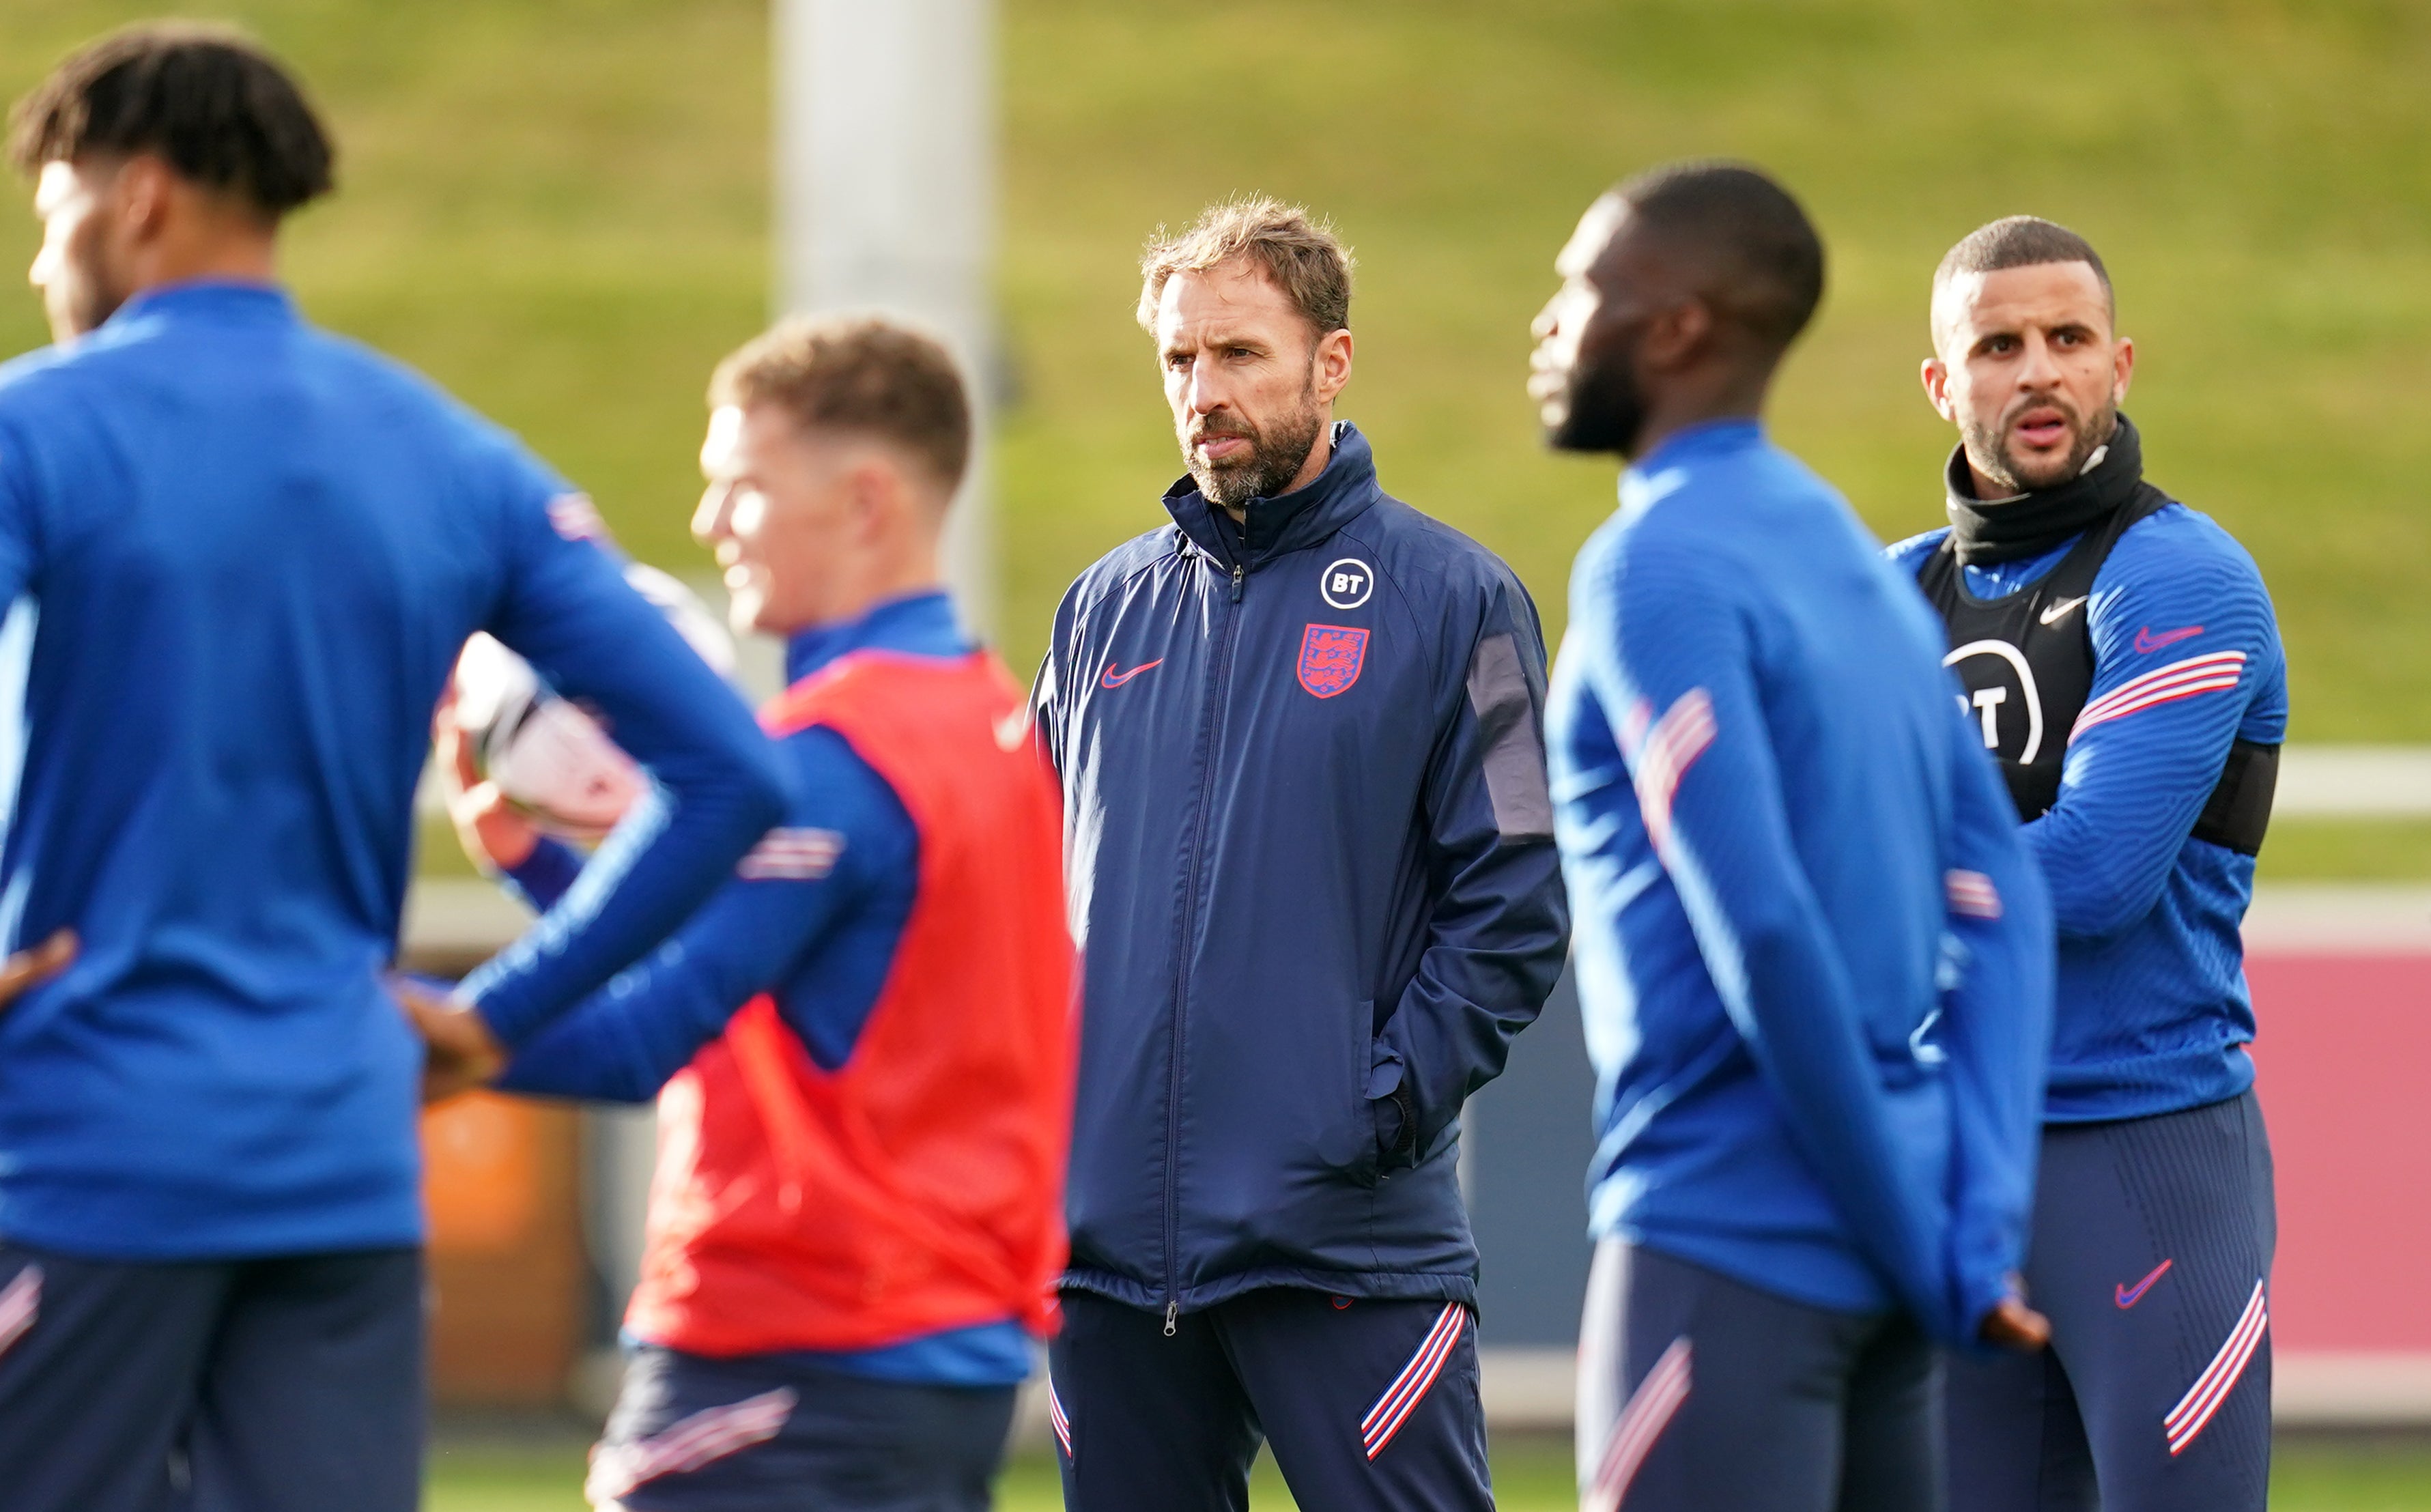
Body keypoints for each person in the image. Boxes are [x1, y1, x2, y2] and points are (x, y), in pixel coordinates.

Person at [0, 27, 788, 1512]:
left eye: (52, 220)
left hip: (88, 1152)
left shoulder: (35, 427)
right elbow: (735, 775)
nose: (48, 268)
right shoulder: (452, 456)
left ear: (139, 197)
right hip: (342, 1176)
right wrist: (498, 1019)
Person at [429, 316, 1074, 1512]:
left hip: (795, 1355)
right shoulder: (984, 719)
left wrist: (378, 1027)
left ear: (865, 502)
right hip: (938, 1362)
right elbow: (782, 987)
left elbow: (639, 1042)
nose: (708, 523)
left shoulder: (837, 753)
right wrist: (534, 866)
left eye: (741, 487)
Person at [1027, 197, 1569, 1512]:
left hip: (1344, 1247)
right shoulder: (1101, 609)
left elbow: (1513, 907)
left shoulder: (1458, 602)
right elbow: (1018, 893)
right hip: (1103, 1264)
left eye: (1238, 356)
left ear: (1329, 364)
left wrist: (1366, 1111)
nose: (1202, 391)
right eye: (1179, 361)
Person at [1530, 162, 2057, 1512]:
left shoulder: (1653, 566)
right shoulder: (1846, 555)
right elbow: (1999, 897)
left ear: (1675, 327)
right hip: (1897, 1274)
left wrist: (1903, 1221)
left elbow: (1761, 928)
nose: (1549, 322)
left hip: (1724, 1245)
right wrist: (1964, 1229)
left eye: (1582, 286)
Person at [1890, 216, 2286, 1511]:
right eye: (1997, 345)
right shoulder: (1883, 600)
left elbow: (2092, 879)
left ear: (2119, 364)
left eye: (2066, 340)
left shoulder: (2183, 577)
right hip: (1958, 1164)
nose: (2038, 371)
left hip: (2146, 1157)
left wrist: (1864, 886)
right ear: (1945, 386)